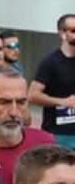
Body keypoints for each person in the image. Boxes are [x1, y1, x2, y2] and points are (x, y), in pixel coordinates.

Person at [29, 14, 75, 150]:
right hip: (58, 135)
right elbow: (33, 95)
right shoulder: (50, 63)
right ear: (62, 34)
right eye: (73, 30)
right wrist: (62, 101)